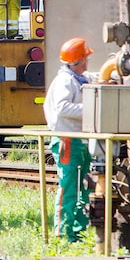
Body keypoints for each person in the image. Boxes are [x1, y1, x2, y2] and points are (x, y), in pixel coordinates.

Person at [43, 37, 97, 242]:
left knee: (83, 185)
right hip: (67, 140)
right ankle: (63, 232)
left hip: (78, 140)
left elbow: (96, 76)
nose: (87, 62)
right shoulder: (65, 81)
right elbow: (63, 107)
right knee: (69, 186)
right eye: (86, 58)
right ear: (80, 61)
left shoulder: (78, 78)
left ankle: (78, 230)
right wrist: (93, 108)